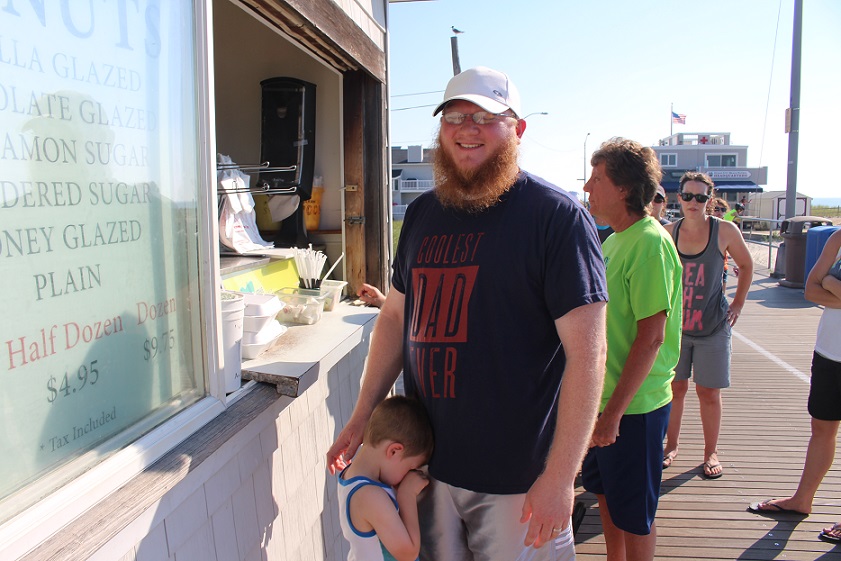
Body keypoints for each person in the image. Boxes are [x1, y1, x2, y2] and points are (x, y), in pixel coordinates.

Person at [327, 66, 609, 561]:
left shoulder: (556, 218)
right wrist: (360, 418)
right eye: (454, 116)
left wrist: (562, 478)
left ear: (518, 129)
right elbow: (394, 319)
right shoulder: (420, 215)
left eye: (486, 117)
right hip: (427, 473)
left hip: (518, 483)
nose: (467, 128)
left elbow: (588, 355)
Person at [581, 138, 683, 561]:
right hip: (603, 403)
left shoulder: (649, 243)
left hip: (633, 408)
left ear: (623, 188)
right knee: (606, 495)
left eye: (598, 178)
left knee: (636, 515)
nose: (588, 187)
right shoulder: (613, 240)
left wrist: (613, 415)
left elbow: (652, 336)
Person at [747, 228, 841, 544]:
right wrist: (828, 284)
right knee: (822, 428)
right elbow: (810, 291)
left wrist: (830, 281)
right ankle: (802, 500)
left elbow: (821, 284)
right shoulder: (838, 238)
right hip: (830, 351)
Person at [662, 172, 754, 478]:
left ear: (709, 200)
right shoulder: (668, 232)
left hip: (713, 326)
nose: (693, 202)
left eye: (700, 197)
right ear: (679, 197)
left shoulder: (724, 230)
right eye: (687, 196)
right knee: (675, 389)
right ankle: (670, 445)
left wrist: (738, 302)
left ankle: (710, 451)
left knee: (708, 392)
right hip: (677, 329)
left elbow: (747, 264)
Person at [338, 395, 434, 561]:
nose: (410, 474)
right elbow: (408, 553)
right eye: (410, 467)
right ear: (394, 451)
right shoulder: (370, 496)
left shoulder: (354, 476)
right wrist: (407, 495)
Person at [708, 198, 733, 291]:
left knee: (722, 293)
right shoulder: (704, 226)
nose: (720, 212)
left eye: (723, 210)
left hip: (722, 265)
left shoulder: (727, 228)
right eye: (716, 209)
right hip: (705, 266)